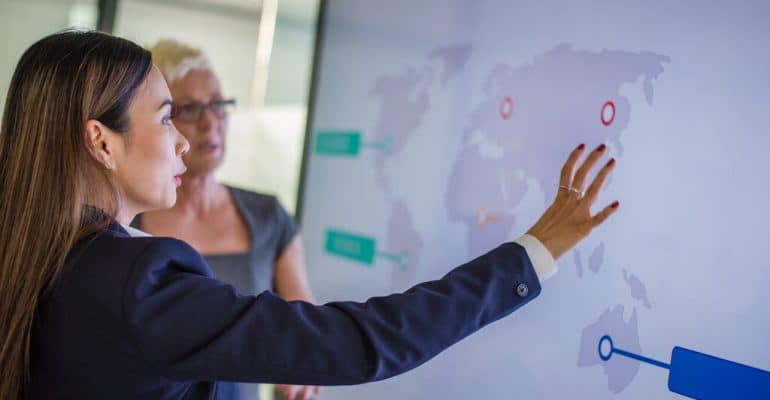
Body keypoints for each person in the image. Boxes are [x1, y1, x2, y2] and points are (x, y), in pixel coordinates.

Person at [0, 31, 618, 400]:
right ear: (101, 141)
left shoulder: (40, 257)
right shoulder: (138, 279)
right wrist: (532, 252)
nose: (187, 139)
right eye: (168, 117)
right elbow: (357, 343)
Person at [130, 39, 318, 400]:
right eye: (189, 109)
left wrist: (306, 359)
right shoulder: (127, 221)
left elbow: (303, 323)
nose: (211, 122)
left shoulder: (269, 217)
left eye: (219, 105)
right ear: (162, 121)